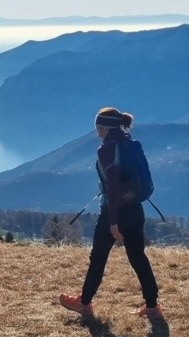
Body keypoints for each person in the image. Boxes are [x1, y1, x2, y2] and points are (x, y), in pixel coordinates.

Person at [60, 108, 163, 319]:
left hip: (114, 211)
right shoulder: (132, 144)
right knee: (138, 257)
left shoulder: (107, 149)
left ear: (103, 127)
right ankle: (152, 306)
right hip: (135, 208)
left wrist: (113, 221)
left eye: (98, 127)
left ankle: (84, 302)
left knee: (98, 258)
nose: (96, 132)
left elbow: (114, 186)